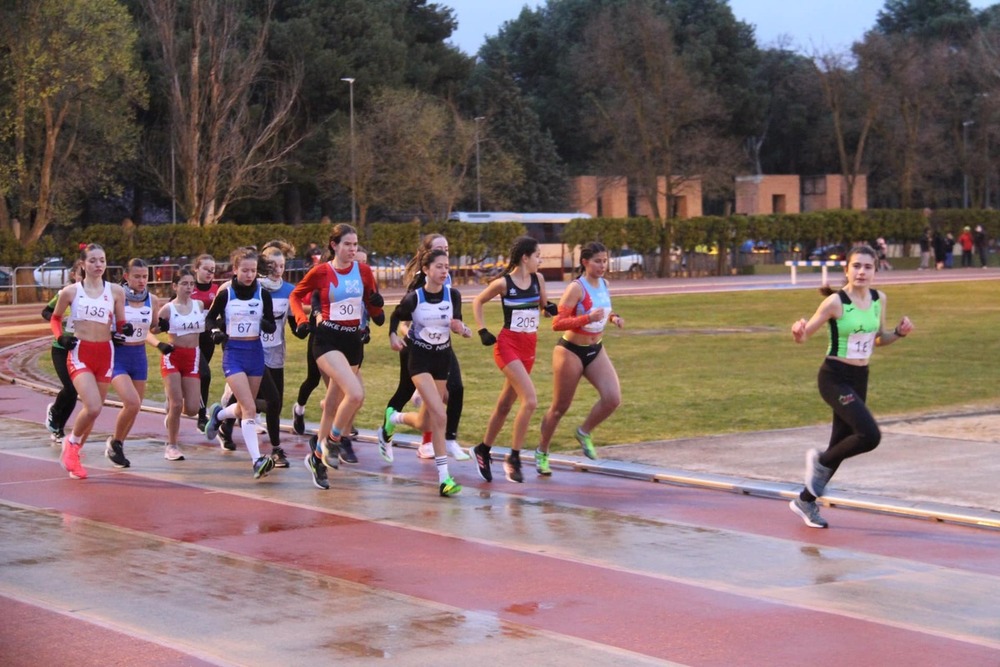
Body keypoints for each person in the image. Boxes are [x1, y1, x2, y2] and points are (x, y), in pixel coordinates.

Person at [789, 244, 914, 528]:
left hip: (860, 378)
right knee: (869, 435)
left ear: (876, 271)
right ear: (846, 269)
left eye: (868, 267)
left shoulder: (878, 298)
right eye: (856, 266)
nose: (861, 271)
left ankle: (805, 501)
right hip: (834, 377)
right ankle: (819, 461)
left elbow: (878, 339)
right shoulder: (835, 302)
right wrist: (798, 331)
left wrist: (898, 333)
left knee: (841, 444)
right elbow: (805, 335)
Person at [289, 224, 383, 490]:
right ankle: (333, 441)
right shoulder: (321, 272)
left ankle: (317, 458)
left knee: (333, 405)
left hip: (353, 342)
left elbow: (375, 314)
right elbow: (295, 296)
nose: (353, 249)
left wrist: (376, 302)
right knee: (355, 394)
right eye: (347, 245)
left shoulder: (364, 271)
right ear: (334, 245)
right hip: (326, 339)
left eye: (355, 244)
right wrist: (300, 320)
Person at [385, 248, 472, 496]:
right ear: (426, 270)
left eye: (447, 266)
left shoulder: (452, 295)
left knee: (426, 420)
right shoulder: (415, 298)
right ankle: (444, 478)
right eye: (439, 267)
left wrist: (462, 328)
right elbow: (395, 316)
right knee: (440, 415)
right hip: (419, 359)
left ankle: (394, 419)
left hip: (442, 359)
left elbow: (457, 324)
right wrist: (393, 335)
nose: (444, 271)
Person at [469, 236, 556, 482]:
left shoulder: (538, 280)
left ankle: (483, 449)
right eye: (538, 255)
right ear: (525, 258)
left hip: (529, 347)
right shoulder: (503, 284)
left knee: (505, 405)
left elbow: (542, 308)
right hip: (508, 346)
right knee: (530, 400)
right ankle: (514, 457)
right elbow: (478, 301)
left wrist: (549, 309)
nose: (540, 260)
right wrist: (482, 329)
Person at [536, 242, 624, 469]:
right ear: (585, 262)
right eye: (597, 261)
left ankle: (584, 432)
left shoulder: (604, 283)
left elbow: (604, 309)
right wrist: (587, 319)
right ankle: (542, 451)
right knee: (559, 407)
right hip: (570, 351)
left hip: (596, 349)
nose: (602, 265)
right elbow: (557, 322)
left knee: (612, 398)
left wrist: (613, 318)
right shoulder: (577, 288)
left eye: (605, 261)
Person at [47, 244, 129, 480]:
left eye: (102, 260)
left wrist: (126, 328)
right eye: (92, 260)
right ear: (82, 264)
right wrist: (60, 336)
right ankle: (71, 445)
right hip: (81, 352)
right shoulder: (70, 292)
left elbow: (121, 323)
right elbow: (55, 318)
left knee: (94, 411)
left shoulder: (115, 292)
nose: (98, 265)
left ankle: (75, 453)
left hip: (105, 353)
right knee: (92, 405)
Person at [215, 242, 295, 467]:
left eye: (281, 266)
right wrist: (218, 332)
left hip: (271, 353)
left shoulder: (284, 290)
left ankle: (221, 418)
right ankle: (265, 454)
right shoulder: (239, 289)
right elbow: (219, 312)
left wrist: (300, 326)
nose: (277, 270)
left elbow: (286, 318)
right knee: (257, 404)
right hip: (242, 353)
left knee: (263, 403)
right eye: (272, 266)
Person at [202, 246, 278, 480]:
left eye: (253, 271)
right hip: (233, 352)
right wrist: (215, 331)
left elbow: (271, 322)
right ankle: (256, 461)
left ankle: (219, 415)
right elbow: (209, 319)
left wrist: (267, 325)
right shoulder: (226, 294)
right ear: (235, 270)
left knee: (246, 407)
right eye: (244, 270)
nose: (249, 275)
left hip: (255, 352)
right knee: (251, 409)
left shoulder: (262, 294)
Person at [105, 259, 164, 467]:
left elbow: (154, 326)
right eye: (137, 276)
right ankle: (115, 444)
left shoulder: (153, 300)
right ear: (126, 277)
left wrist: (162, 326)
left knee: (134, 407)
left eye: (145, 276)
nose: (141, 281)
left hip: (139, 356)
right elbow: (103, 326)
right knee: (132, 402)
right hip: (118, 356)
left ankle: (117, 441)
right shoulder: (116, 297)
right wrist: (113, 335)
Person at [158, 268, 205, 461]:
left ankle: (170, 406)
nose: (188, 287)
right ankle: (171, 445)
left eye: (191, 284)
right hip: (173, 356)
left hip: (192, 356)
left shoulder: (199, 305)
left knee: (193, 408)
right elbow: (152, 328)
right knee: (177, 403)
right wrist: (161, 327)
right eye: (184, 284)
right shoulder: (168, 308)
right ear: (174, 286)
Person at [41, 260, 84, 444]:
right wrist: (63, 321)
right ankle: (55, 411)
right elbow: (46, 312)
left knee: (75, 392)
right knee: (70, 387)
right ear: (74, 275)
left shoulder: (97, 295)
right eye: (81, 274)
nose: (85, 277)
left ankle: (58, 428)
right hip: (61, 347)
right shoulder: (65, 293)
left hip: (80, 348)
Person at [191, 255, 220, 431]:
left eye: (212, 270)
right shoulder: (188, 287)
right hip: (191, 340)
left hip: (208, 339)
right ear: (196, 269)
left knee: (197, 377)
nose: (209, 273)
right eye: (205, 269)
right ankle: (202, 417)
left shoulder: (218, 290)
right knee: (205, 375)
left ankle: (178, 397)